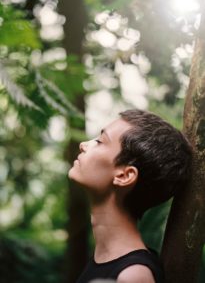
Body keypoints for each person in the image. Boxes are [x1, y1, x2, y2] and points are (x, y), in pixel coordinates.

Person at [68, 109, 193, 283]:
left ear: (124, 176)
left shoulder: (133, 276)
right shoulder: (107, 259)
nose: (83, 144)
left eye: (100, 141)